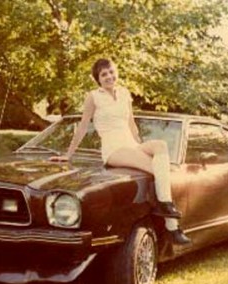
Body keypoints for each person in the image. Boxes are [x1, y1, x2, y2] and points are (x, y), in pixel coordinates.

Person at [49, 58, 191, 245]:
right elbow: (83, 127)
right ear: (98, 79)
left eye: (111, 72)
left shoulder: (124, 93)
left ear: (116, 72)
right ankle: (172, 226)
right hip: (113, 149)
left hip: (130, 144)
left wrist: (140, 145)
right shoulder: (93, 97)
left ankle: (165, 205)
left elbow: (131, 123)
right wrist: (68, 155)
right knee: (158, 169)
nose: (109, 76)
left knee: (161, 146)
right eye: (103, 74)